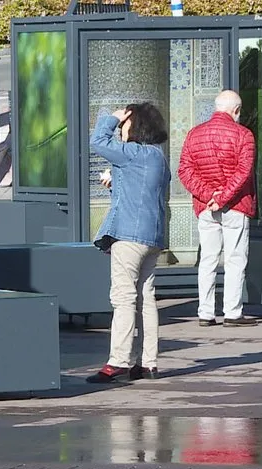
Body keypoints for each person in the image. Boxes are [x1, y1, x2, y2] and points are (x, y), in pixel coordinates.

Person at [85, 103, 170, 384]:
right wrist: (117, 183)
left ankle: (118, 361)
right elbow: (142, 190)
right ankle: (148, 363)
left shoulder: (133, 154)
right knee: (146, 299)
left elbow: (97, 141)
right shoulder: (157, 157)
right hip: (152, 237)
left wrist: (111, 118)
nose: (122, 129)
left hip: (129, 237)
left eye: (125, 125)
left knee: (123, 299)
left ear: (135, 126)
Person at [178, 90, 257, 328]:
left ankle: (205, 312)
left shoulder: (194, 134)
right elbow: (243, 172)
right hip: (236, 205)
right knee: (235, 259)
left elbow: (185, 171)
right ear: (237, 110)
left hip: (206, 206)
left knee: (208, 260)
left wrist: (208, 195)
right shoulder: (244, 135)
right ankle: (232, 312)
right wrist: (222, 197)